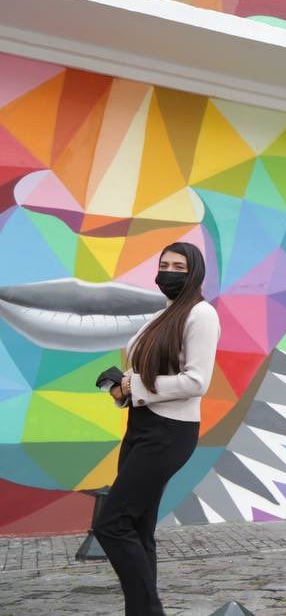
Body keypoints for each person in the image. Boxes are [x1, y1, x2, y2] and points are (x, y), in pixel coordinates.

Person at [96, 243, 221, 616]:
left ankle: (149, 609)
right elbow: (145, 373)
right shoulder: (161, 315)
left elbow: (197, 381)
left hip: (170, 431)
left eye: (178, 266)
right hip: (141, 426)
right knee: (137, 527)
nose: (168, 271)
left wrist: (133, 386)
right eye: (164, 264)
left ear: (194, 272)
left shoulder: (201, 315)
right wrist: (123, 387)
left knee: (112, 524)